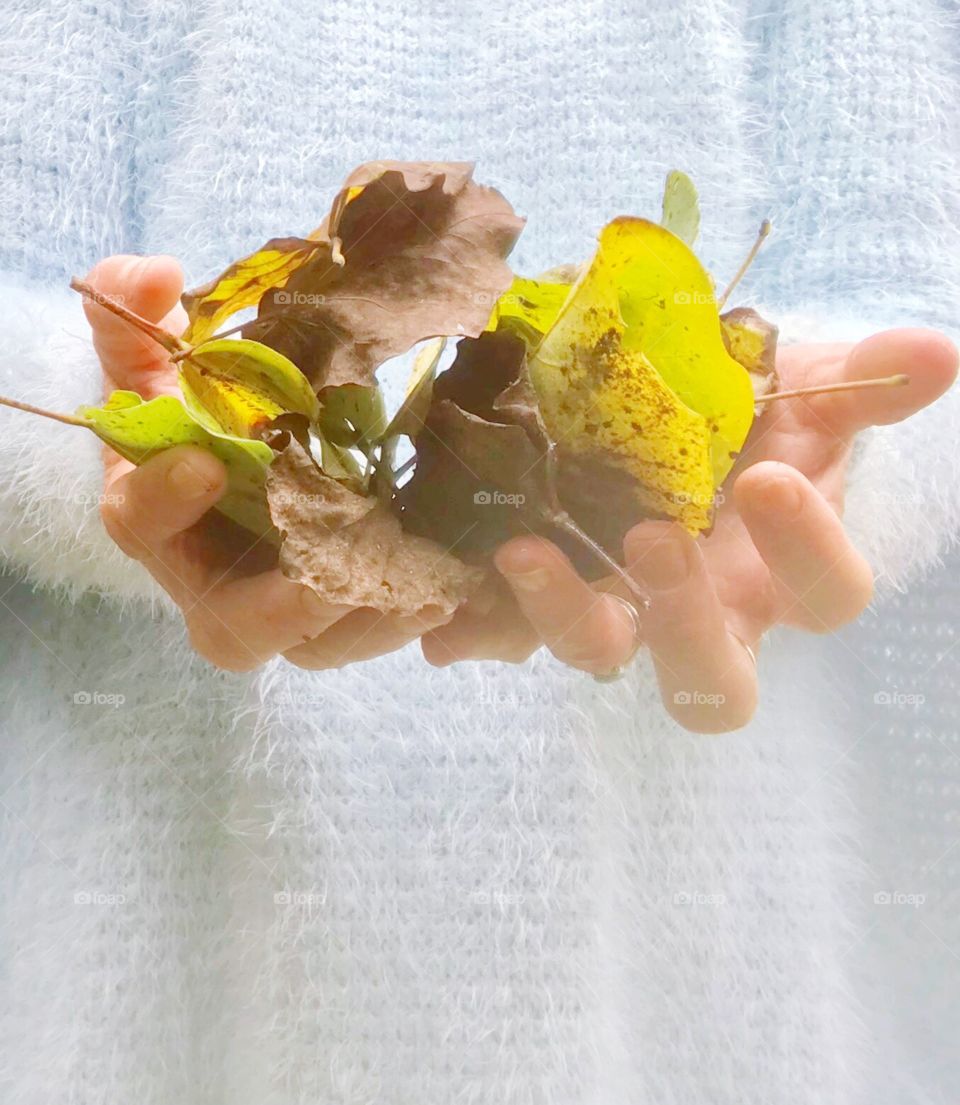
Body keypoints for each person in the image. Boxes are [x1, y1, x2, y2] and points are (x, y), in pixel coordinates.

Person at [1, 1, 958, 1102]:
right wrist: (109, 432)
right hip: (150, 927)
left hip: (714, 935)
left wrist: (848, 458)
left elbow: (922, 313)